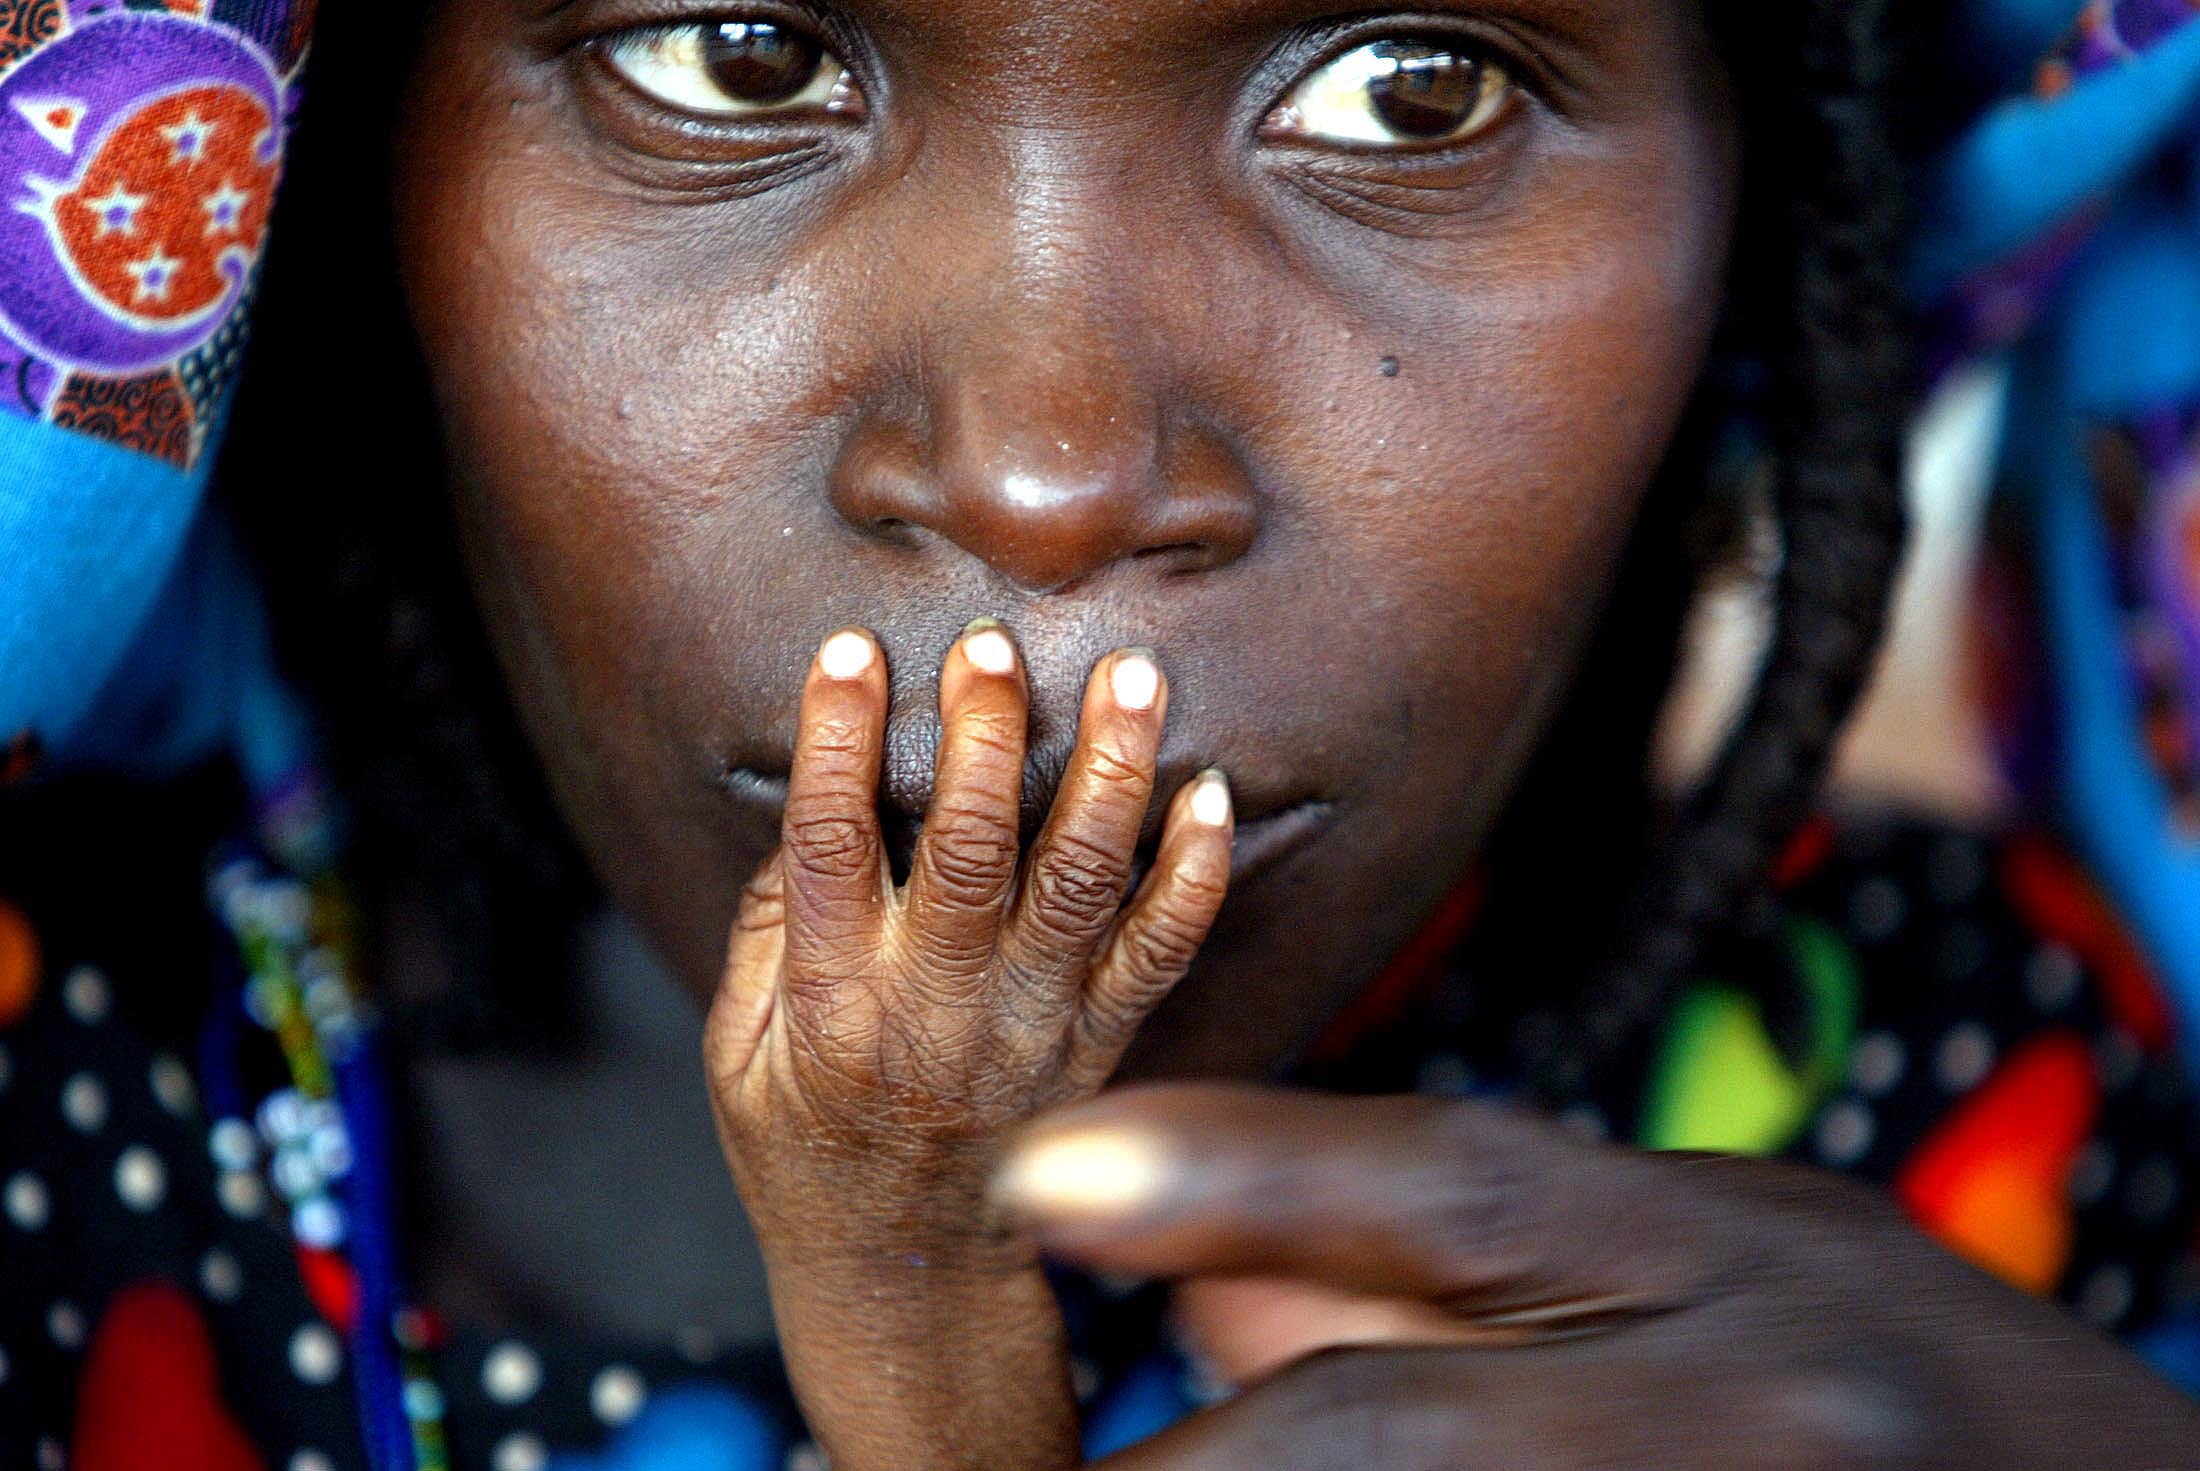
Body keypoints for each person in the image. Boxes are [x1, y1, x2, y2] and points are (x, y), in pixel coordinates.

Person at [5, 1, 2200, 1468]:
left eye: (1407, 90)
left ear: (1760, 223)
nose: (1044, 470)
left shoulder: (1997, 1138)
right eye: (734, 52)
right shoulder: (40, 1103)